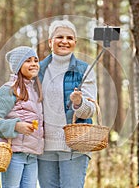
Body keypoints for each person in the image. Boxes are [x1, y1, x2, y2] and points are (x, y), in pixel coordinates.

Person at [38, 20, 97, 188]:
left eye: (70, 38)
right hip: (44, 146)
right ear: (50, 42)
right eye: (59, 37)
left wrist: (79, 103)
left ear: (75, 43)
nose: (65, 41)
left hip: (75, 145)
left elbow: (89, 111)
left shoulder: (84, 70)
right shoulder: (38, 69)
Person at [0, 46, 44, 188]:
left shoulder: (36, 91)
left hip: (32, 155)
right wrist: (16, 126)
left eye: (36, 60)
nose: (34, 63)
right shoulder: (8, 90)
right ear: (18, 66)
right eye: (28, 61)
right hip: (14, 154)